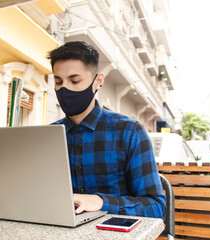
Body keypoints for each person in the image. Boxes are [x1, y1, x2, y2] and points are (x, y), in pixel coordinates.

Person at [48, 41, 166, 219]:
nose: (65, 89)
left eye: (75, 81)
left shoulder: (129, 131)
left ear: (98, 81)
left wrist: (101, 202)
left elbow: (156, 206)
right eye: (58, 82)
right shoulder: (49, 136)